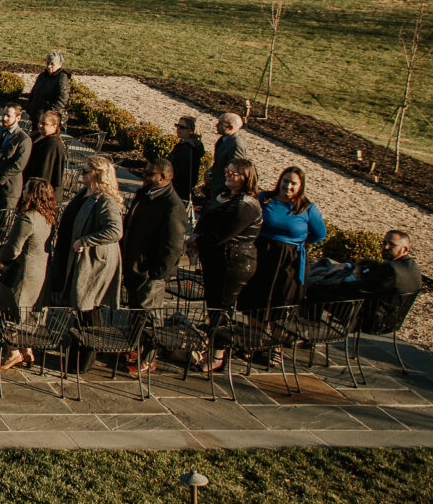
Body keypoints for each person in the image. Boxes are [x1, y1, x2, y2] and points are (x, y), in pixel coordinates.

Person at [194, 157, 263, 373]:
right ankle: (213, 346)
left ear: (246, 178)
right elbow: (206, 217)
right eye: (227, 171)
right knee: (213, 305)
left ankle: (217, 355)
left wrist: (196, 241)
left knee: (221, 309)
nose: (228, 175)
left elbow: (221, 235)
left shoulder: (246, 205)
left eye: (234, 173)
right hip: (216, 259)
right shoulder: (224, 196)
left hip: (233, 262)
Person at [121, 160, 188, 374]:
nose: (144, 175)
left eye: (150, 173)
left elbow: (173, 247)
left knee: (149, 317)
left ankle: (148, 358)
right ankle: (135, 347)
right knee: (136, 311)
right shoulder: (144, 194)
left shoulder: (172, 206)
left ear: (164, 178)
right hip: (133, 265)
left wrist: (156, 274)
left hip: (150, 273)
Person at [62, 156, 126, 361]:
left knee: (88, 305)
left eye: (86, 171)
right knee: (82, 307)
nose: (82, 174)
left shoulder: (106, 200)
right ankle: (78, 353)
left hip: (95, 262)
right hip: (81, 258)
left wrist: (86, 241)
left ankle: (84, 359)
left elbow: (115, 231)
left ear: (98, 174)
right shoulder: (86, 193)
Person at [0, 179, 58, 367]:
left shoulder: (26, 218)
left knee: (10, 312)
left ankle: (13, 352)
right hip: (39, 272)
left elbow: (13, 249)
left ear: (32, 194)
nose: (22, 190)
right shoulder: (48, 217)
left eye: (26, 188)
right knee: (28, 314)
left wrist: (0, 255)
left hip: (20, 273)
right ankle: (27, 349)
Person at [247, 165, 326, 310]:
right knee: (256, 304)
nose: (288, 186)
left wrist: (299, 242)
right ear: (280, 181)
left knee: (282, 304)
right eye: (285, 181)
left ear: (301, 186)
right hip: (262, 254)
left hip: (289, 261)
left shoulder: (307, 208)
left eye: (293, 183)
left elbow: (320, 234)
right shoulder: (265, 198)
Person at [0, 104, 32, 218]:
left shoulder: (23, 139)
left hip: (7, 190)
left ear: (18, 118)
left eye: (8, 116)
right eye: (4, 114)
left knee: (3, 225)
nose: (4, 118)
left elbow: (18, 165)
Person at [22, 109, 66, 194]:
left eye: (44, 124)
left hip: (37, 188)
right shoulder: (36, 135)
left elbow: (45, 172)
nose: (40, 126)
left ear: (54, 126)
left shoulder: (53, 144)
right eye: (40, 122)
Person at [24, 52, 73, 128]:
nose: (49, 66)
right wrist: (29, 108)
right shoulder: (43, 76)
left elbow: (62, 99)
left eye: (52, 64)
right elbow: (34, 92)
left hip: (49, 119)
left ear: (60, 65)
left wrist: (48, 113)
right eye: (47, 63)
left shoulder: (62, 78)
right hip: (36, 116)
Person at [205, 113, 244, 203]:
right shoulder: (223, 139)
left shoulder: (236, 144)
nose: (216, 125)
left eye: (220, 123)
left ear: (230, 127)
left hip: (223, 188)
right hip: (216, 184)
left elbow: (236, 170)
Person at [168, 117, 204, 207]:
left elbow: (179, 172)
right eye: (177, 125)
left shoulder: (187, 149)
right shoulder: (186, 145)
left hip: (178, 191)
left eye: (182, 127)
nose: (178, 129)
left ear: (191, 131)